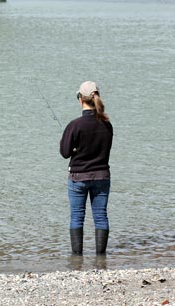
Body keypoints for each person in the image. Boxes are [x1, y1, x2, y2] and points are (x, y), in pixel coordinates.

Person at [60, 81, 113, 256]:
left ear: (80, 99)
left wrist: (76, 149)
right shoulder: (107, 125)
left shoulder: (75, 125)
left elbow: (64, 152)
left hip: (78, 177)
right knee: (100, 216)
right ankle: (100, 258)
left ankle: (77, 258)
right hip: (102, 176)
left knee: (77, 216)